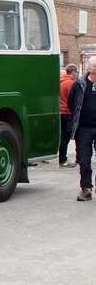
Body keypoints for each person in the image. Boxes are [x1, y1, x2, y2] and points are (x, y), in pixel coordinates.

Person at [67, 57, 96, 201]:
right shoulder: (80, 84)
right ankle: (86, 189)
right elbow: (71, 103)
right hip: (84, 128)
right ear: (90, 69)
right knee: (84, 160)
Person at [59, 64, 79, 168]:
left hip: (61, 111)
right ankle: (63, 159)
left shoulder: (61, 82)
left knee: (63, 136)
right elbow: (74, 99)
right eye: (77, 72)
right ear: (73, 72)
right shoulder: (71, 83)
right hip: (68, 112)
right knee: (66, 137)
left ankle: (62, 158)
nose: (78, 74)